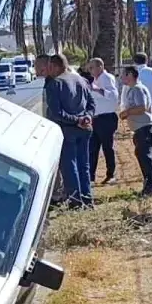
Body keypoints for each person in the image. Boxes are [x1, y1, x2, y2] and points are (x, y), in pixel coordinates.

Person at [36, 53, 95, 208]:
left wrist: (77, 120)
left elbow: (56, 112)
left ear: (55, 66)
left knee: (70, 166)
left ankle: (76, 201)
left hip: (66, 130)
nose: (47, 70)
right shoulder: (81, 80)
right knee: (84, 164)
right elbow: (91, 104)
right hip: (84, 128)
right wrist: (86, 117)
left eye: (49, 67)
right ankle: (87, 198)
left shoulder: (55, 84)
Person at [118, 66, 152, 196]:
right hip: (141, 129)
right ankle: (148, 185)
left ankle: (151, 187)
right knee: (142, 156)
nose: (121, 78)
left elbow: (142, 108)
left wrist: (127, 112)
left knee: (145, 157)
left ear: (130, 75)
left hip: (144, 128)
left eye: (123, 75)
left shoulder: (137, 89)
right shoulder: (134, 89)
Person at [85, 58, 120, 185]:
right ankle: (91, 177)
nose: (90, 71)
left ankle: (111, 174)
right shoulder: (95, 80)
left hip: (106, 118)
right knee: (92, 148)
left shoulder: (106, 78)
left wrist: (97, 90)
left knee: (107, 147)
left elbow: (113, 95)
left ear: (100, 66)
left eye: (91, 68)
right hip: (96, 119)